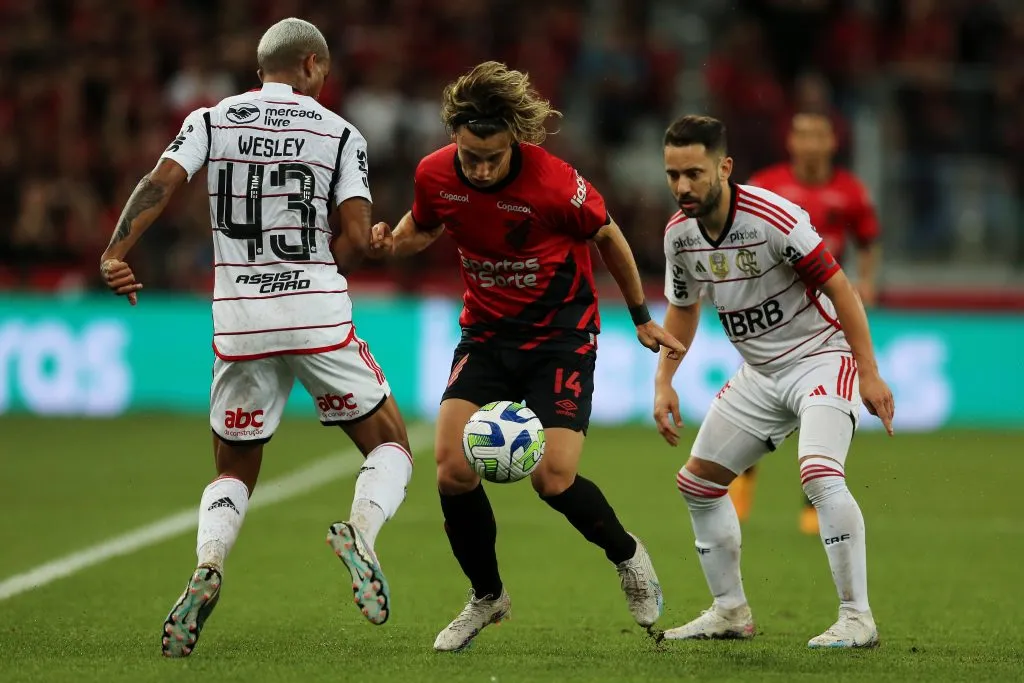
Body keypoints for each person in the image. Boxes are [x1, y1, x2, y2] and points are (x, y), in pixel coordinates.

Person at [98, 18, 414, 657]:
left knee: (235, 465)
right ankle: (360, 533)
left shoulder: (210, 120)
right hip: (317, 315)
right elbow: (355, 242)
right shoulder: (340, 133)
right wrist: (373, 244)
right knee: (392, 446)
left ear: (259, 69)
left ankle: (208, 564)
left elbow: (160, 184)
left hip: (240, 320)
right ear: (313, 67)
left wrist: (115, 252)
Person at [369, 61, 684, 652]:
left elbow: (609, 236)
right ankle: (486, 596)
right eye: (470, 156)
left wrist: (642, 317)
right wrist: (392, 244)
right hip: (486, 334)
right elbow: (422, 227)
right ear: (455, 142)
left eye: (493, 157)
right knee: (451, 469)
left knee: (552, 478)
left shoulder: (553, 183)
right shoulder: (434, 173)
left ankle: (628, 555)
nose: (481, 168)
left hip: (560, 337)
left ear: (514, 141)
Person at [653, 115, 894, 648]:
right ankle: (729, 612)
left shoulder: (774, 217)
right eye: (672, 174)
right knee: (698, 484)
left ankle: (858, 618)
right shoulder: (678, 235)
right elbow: (683, 309)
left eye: (694, 172)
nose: (682, 187)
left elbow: (840, 287)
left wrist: (869, 372)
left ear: (724, 166)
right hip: (759, 375)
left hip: (820, 358)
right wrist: (664, 380)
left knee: (819, 474)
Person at [731, 111, 882, 534]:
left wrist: (866, 282)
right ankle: (741, 491)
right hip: (773, 312)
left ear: (832, 142)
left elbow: (868, 241)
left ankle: (814, 503)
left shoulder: (850, 192)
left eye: (819, 135)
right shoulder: (766, 184)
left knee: (823, 405)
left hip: (827, 311)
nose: (811, 143)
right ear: (791, 143)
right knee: (756, 400)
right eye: (802, 135)